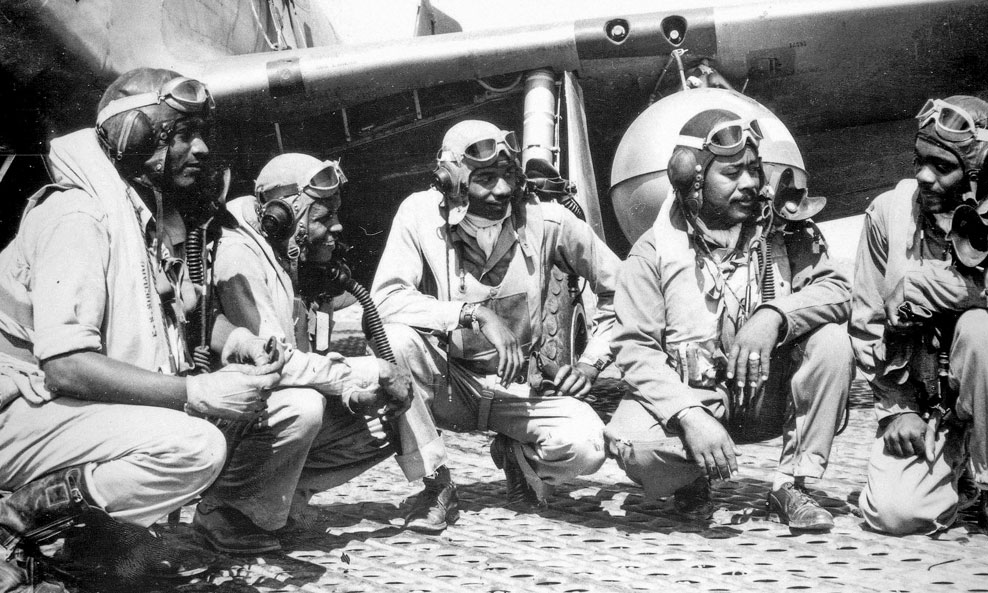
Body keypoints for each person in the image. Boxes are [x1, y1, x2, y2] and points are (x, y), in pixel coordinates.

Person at [0, 68, 280, 589]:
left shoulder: (138, 219)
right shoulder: (80, 217)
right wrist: (198, 391)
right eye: (180, 136)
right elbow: (65, 366)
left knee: (235, 420)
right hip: (18, 411)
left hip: (50, 412)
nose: (199, 150)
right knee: (194, 447)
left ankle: (87, 548)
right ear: (135, 137)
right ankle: (21, 529)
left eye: (201, 136)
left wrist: (237, 341)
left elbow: (180, 309)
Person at [604, 104, 853, 532]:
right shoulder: (652, 253)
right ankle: (690, 480)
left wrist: (774, 315)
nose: (750, 183)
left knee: (831, 342)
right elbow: (634, 348)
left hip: (765, 394)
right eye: (732, 173)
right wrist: (689, 416)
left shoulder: (783, 230)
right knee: (635, 447)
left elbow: (837, 291)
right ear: (694, 183)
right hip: (696, 399)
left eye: (754, 170)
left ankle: (793, 484)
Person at [371, 119, 619, 510]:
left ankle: (518, 456)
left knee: (587, 446)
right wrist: (473, 314)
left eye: (507, 175)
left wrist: (591, 363)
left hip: (518, 387)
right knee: (395, 339)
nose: (501, 190)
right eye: (485, 178)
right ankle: (435, 482)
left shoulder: (547, 220)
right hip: (448, 383)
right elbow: (385, 299)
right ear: (452, 181)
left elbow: (623, 291)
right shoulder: (418, 215)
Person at [851, 95, 988, 548]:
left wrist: (917, 288)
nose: (924, 175)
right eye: (920, 161)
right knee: (895, 516)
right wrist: (897, 409)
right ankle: (956, 475)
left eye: (942, 167)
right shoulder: (889, 212)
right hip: (921, 393)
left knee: (982, 330)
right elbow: (866, 321)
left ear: (984, 170)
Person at [198, 152, 416, 551]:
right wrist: (366, 371)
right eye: (322, 217)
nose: (337, 227)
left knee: (387, 414)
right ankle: (224, 510)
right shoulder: (240, 257)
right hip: (222, 412)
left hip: (254, 413)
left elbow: (312, 356)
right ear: (282, 216)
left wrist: (355, 395)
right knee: (303, 406)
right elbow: (274, 363)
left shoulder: (291, 255)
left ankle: (273, 501)